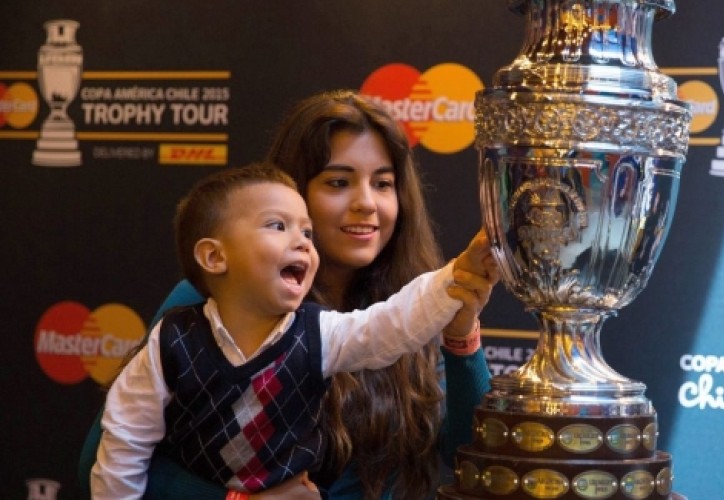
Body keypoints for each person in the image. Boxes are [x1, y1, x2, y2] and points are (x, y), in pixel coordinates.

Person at [78, 90, 497, 499]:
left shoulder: (418, 308)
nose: (367, 203)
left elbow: (474, 456)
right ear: (288, 193)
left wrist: (461, 335)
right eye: (338, 182)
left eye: (383, 183)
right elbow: (105, 460)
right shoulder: (211, 302)